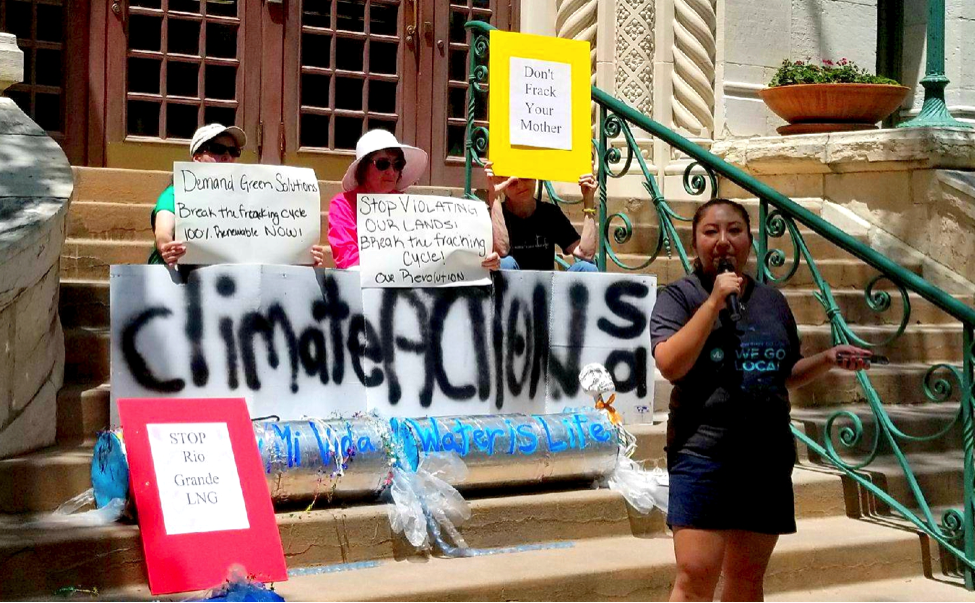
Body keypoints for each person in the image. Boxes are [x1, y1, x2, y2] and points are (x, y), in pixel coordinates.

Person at [649, 198, 872, 602]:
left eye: (734, 230)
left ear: (749, 240)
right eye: (710, 232)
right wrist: (714, 301)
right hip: (703, 453)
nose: (723, 241)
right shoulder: (679, 297)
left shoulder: (772, 302)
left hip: (765, 455)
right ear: (694, 240)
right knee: (696, 575)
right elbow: (669, 364)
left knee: (747, 578)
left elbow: (781, 373)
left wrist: (826, 359)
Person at [317, 129, 501, 271]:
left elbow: (438, 249)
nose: (391, 171)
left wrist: (480, 259)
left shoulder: (408, 206)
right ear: (363, 168)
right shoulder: (343, 205)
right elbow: (347, 259)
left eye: (397, 165)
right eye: (382, 164)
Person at [149, 123, 246, 266]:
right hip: (176, 278)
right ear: (197, 157)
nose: (227, 156)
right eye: (218, 149)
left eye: (233, 151)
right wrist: (166, 246)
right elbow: (164, 227)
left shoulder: (244, 198)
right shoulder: (175, 193)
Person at [483, 161, 598, 272]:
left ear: (535, 178)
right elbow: (502, 251)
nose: (521, 185)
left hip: (546, 287)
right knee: (506, 262)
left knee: (588, 268)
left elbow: (585, 253)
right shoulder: (494, 215)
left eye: (525, 177)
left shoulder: (550, 213)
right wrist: (494, 197)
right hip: (512, 287)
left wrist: (589, 199)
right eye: (512, 182)